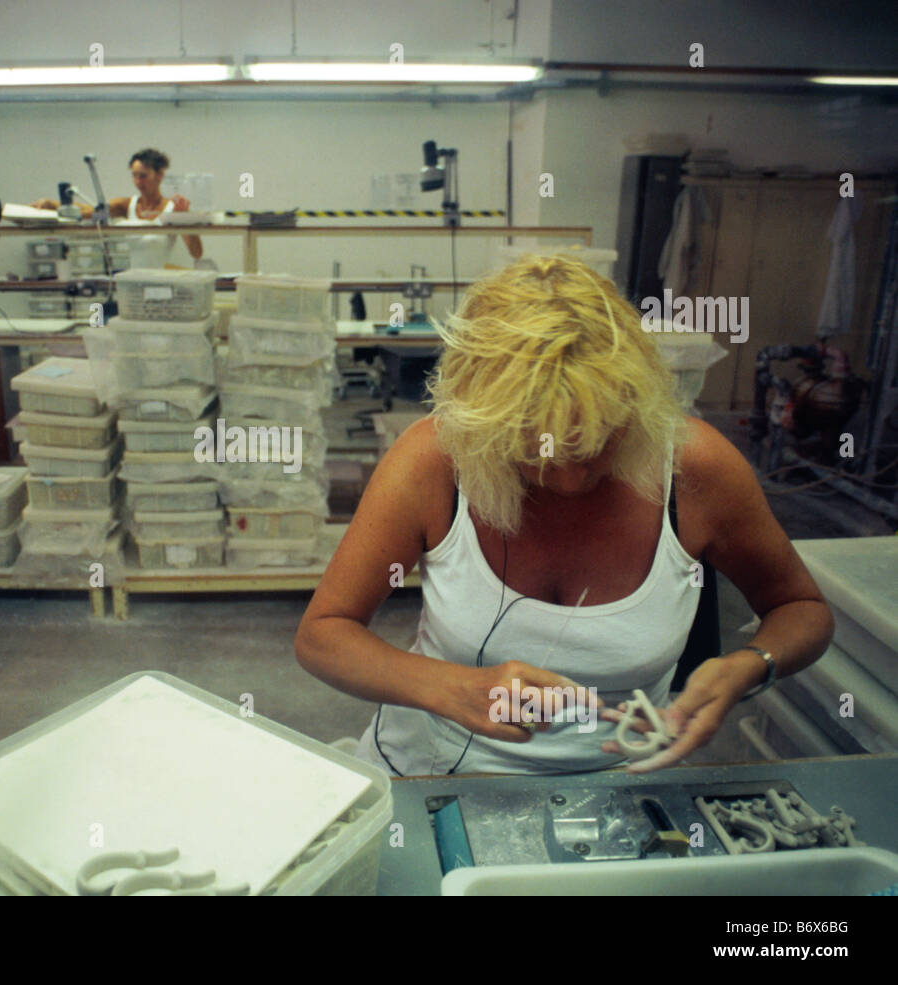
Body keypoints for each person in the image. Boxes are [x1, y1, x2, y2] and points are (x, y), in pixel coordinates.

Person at [295, 254, 833, 777]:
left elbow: (801, 608)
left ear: (638, 407)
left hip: (622, 785)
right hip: (431, 773)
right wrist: (451, 687)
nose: (572, 479)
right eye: (536, 455)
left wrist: (749, 665)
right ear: (483, 425)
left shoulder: (696, 470)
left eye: (600, 445)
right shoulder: (434, 460)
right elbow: (324, 635)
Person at [32, 148, 203, 263]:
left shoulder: (172, 209)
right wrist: (53, 204)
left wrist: (185, 219)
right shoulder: (125, 205)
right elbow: (89, 211)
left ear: (159, 175)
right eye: (134, 176)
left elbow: (196, 253)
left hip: (160, 284)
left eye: (143, 176)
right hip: (129, 282)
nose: (138, 182)